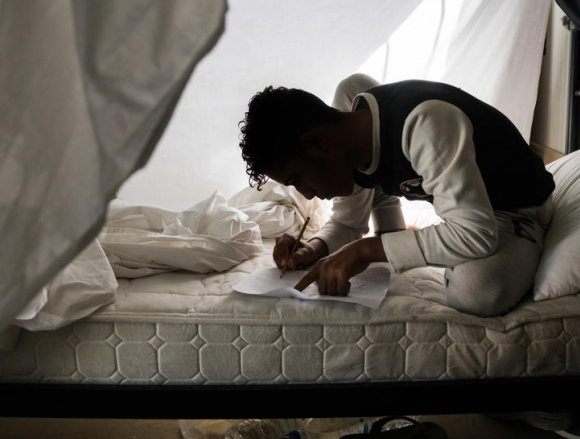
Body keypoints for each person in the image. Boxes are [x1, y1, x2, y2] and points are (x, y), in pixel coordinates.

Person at [237, 74, 555, 317]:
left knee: (476, 292)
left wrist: (365, 251)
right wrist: (313, 248)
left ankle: (394, 219)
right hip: (473, 213)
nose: (310, 194)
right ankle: (388, 212)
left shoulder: (425, 124)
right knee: (354, 85)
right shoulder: (350, 135)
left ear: (316, 144)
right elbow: (349, 225)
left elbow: (475, 235)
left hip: (516, 209)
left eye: (298, 179)